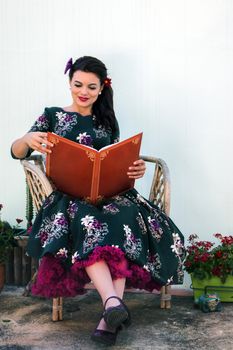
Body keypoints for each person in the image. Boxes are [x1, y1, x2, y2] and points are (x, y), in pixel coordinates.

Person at [11, 56, 185, 346]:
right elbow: (17, 152)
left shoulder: (106, 121)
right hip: (67, 198)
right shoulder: (51, 116)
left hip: (108, 195)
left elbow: (114, 161)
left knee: (122, 218)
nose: (83, 91)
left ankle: (111, 309)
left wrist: (135, 168)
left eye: (92, 87)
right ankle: (112, 307)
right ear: (69, 82)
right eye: (78, 84)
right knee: (89, 222)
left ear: (102, 89)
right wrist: (28, 139)